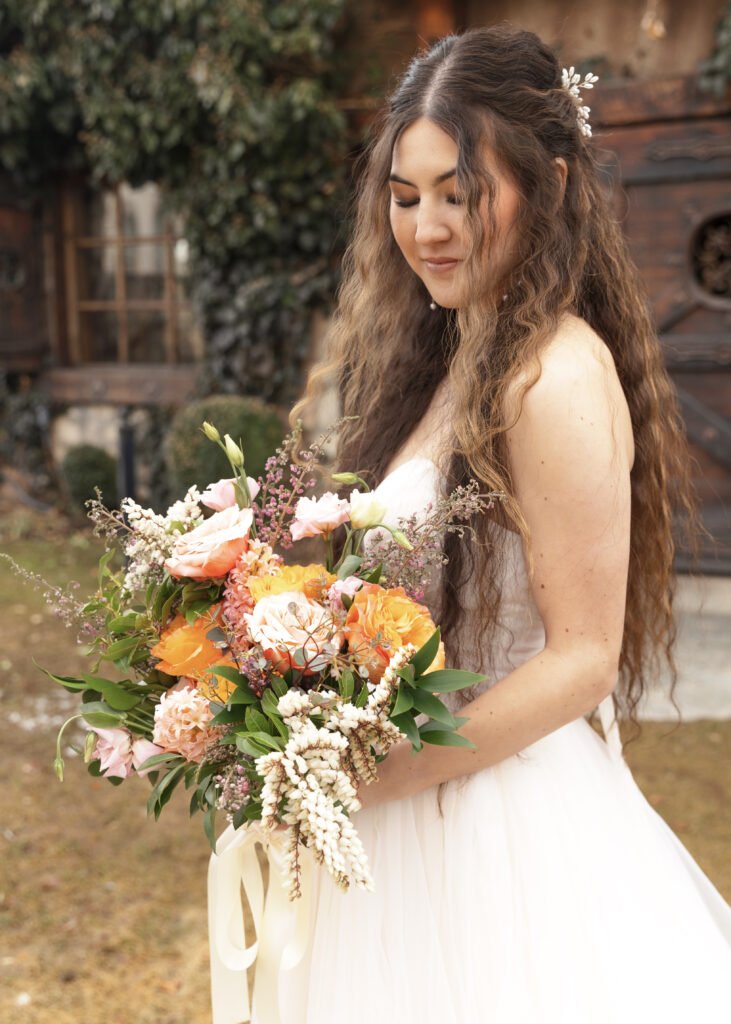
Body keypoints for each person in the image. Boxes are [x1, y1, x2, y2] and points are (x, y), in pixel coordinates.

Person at [253, 26, 731, 1023]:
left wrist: (380, 767)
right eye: (405, 195)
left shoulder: (551, 376)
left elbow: (583, 656)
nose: (426, 225)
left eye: (459, 193)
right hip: (403, 812)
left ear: (550, 187)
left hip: (502, 827)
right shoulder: (450, 361)